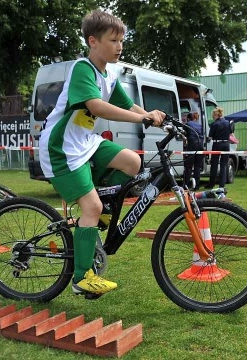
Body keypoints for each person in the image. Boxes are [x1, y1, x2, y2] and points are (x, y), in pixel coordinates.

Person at [38, 10, 165, 297]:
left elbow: (127, 104)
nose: (120, 46)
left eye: (122, 40)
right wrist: (141, 120)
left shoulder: (108, 73)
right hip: (63, 149)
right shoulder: (83, 69)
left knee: (133, 162)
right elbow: (96, 106)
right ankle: (82, 278)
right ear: (93, 41)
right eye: (113, 40)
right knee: (92, 207)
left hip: (86, 142)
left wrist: (153, 115)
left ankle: (98, 214)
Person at [205, 107, 232, 189]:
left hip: (217, 144)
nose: (213, 117)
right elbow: (230, 133)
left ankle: (212, 183)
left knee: (214, 164)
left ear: (216, 115)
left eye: (213, 115)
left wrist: (207, 139)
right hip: (226, 144)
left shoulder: (214, 124)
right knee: (224, 164)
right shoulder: (228, 123)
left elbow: (210, 137)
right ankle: (222, 185)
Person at [183, 112, 204, 190]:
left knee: (188, 166)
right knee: (197, 167)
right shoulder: (200, 125)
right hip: (200, 146)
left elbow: (183, 134)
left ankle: (186, 185)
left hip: (192, 146)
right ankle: (197, 186)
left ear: (188, 118)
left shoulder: (187, 124)